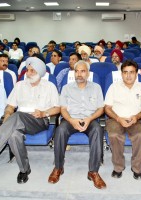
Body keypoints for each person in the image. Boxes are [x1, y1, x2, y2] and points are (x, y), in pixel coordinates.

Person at [0, 57, 60, 184]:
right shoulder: (19, 85)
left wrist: (44, 113)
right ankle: (24, 170)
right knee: (14, 135)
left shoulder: (49, 86)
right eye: (27, 70)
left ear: (40, 73)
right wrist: (7, 116)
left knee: (18, 115)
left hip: (39, 120)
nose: (28, 73)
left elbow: (57, 108)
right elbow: (10, 106)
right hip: (18, 120)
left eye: (32, 71)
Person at [48, 60, 106, 189]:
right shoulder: (66, 88)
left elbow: (101, 109)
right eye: (77, 71)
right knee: (60, 130)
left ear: (88, 73)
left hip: (89, 119)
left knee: (98, 130)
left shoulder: (96, 87)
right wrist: (71, 120)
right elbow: (63, 109)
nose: (79, 74)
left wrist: (89, 119)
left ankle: (93, 171)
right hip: (71, 119)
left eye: (82, 71)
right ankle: (58, 167)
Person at [105, 60, 141, 180]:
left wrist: (136, 117)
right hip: (116, 118)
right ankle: (118, 167)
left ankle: (137, 168)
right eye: (125, 72)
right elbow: (107, 108)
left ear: (136, 74)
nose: (128, 75)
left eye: (131, 72)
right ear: (121, 74)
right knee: (114, 135)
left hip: (135, 119)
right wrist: (119, 118)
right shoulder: (114, 87)